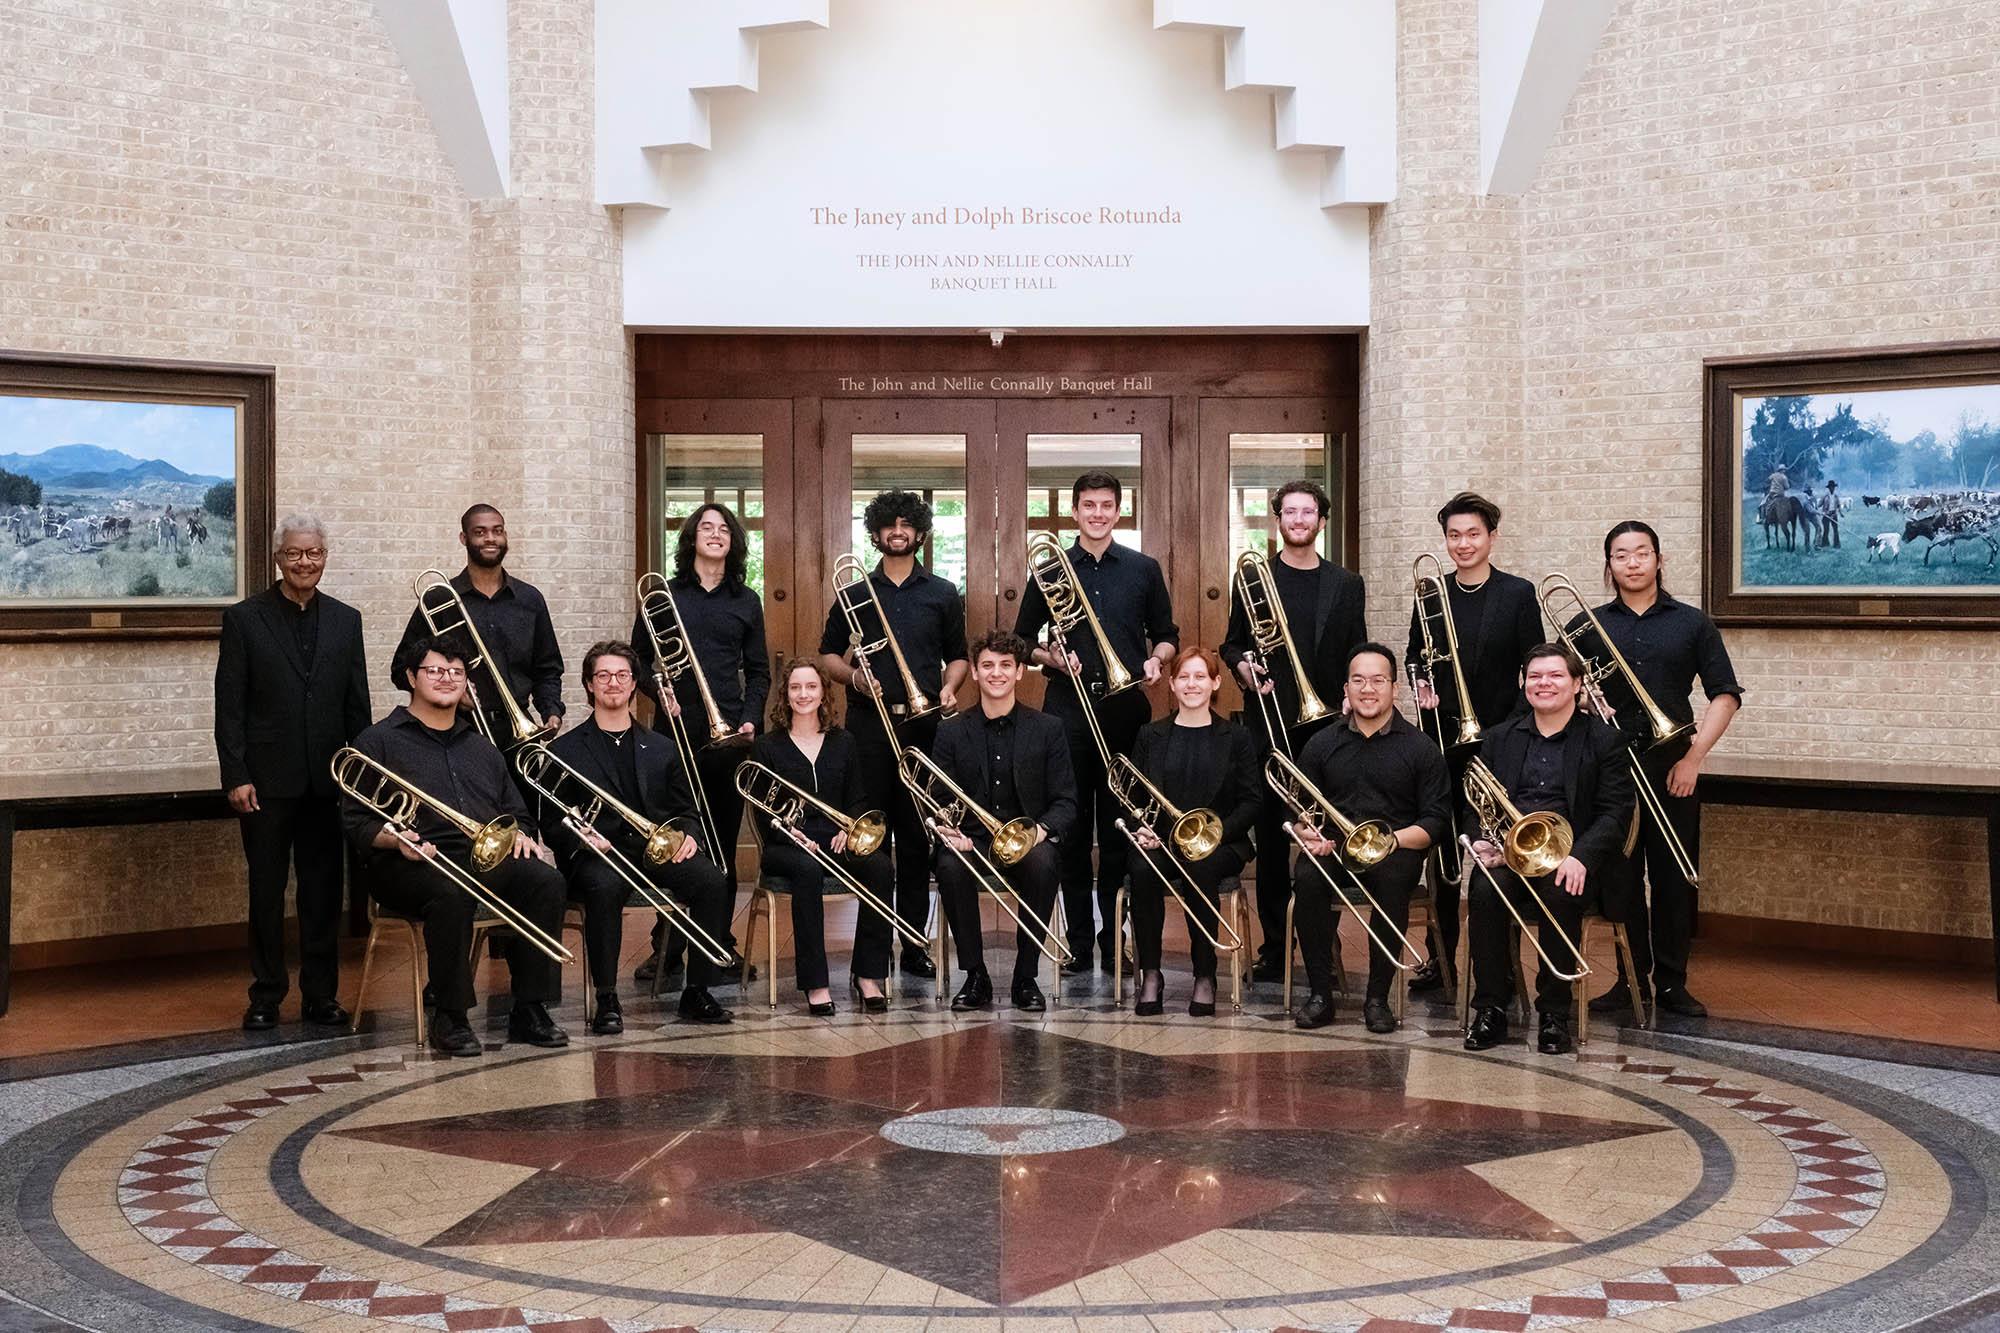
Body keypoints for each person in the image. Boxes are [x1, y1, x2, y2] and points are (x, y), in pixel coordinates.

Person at [339, 636, 570, 1058]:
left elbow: (516, 811)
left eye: (456, 672)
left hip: (479, 856)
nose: (446, 679)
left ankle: (530, 1008)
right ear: (411, 677)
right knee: (452, 891)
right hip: (406, 861)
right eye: (434, 671)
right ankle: (451, 1016)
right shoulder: (378, 742)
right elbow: (355, 823)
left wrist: (519, 832)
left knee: (546, 882)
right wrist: (396, 838)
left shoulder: (481, 746)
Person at [1574, 520, 1743, 1019]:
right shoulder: (1588, 625)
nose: (1632, 562)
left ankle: (1671, 983)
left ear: (1659, 560)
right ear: (1609, 565)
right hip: (1610, 769)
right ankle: (1628, 980)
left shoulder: (1692, 623)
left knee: (1674, 879)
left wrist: (1694, 758)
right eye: (1621, 555)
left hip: (1674, 764)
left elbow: (1725, 696)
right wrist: (1584, 698)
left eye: (1641, 553)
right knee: (1619, 879)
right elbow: (1567, 693)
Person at [1013, 470, 1177, 977]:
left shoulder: (1143, 568)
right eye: (1089, 505)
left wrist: (1159, 661)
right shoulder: (1050, 568)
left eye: (1107, 505)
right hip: (1067, 715)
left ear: (1119, 511)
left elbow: (1166, 634)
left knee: (1122, 830)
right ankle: (1080, 943)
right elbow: (1022, 641)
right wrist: (1053, 658)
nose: (1098, 513)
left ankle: (1115, 940)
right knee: (1072, 830)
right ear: (1076, 511)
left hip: (1127, 711)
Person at [214, 513, 372, 1031]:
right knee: (265, 891)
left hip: (328, 783)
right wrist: (235, 774)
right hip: (263, 782)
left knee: (323, 893)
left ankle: (321, 996)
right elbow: (229, 707)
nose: (305, 562)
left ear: (325, 558)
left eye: (315, 554)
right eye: (295, 554)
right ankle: (265, 995)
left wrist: (361, 780)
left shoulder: (348, 621)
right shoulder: (243, 619)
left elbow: (357, 708)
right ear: (278, 558)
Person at [1220, 478, 1368, 985]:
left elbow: (1357, 647)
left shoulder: (1347, 584)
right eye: (1290, 512)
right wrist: (1243, 669)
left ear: (1321, 522)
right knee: (1273, 833)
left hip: (1327, 723)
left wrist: (1352, 693)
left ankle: (1322, 942)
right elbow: (1233, 644)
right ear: (1278, 520)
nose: (1299, 520)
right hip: (1268, 721)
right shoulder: (1253, 579)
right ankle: (1275, 945)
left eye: (1308, 512)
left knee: (1324, 831)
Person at [541, 641, 733, 1031]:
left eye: (622, 675)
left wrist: (689, 833)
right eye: (603, 676)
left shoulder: (662, 747)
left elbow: (686, 808)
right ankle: (607, 998)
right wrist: (580, 839)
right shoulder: (565, 750)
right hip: (598, 854)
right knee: (604, 886)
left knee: (712, 881)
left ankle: (697, 990)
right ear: (590, 685)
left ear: (633, 686)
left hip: (653, 850)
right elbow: (551, 821)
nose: (613, 683)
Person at [817, 489, 967, 984]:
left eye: (907, 524)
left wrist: (950, 686)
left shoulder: (943, 592)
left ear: (920, 532)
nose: (898, 531)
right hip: (869, 725)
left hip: (923, 725)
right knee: (873, 837)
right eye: (889, 524)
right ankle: (873, 949)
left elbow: (959, 655)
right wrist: (855, 678)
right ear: (876, 532)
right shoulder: (854, 592)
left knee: (917, 839)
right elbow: (827, 657)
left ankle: (914, 943)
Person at [1463, 643, 1634, 1055]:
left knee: (1561, 893)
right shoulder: (1500, 737)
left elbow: (1615, 814)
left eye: (1556, 676)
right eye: (1535, 676)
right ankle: (1491, 1008)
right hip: (1512, 855)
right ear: (1524, 685)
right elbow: (1475, 801)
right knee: (1485, 892)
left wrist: (1581, 856)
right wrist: (1484, 841)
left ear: (1577, 685)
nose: (1544, 683)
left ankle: (1555, 1013)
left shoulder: (1604, 740)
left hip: (1572, 858)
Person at [1404, 491, 1545, 994]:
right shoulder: (1429, 593)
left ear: (1492, 538)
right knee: (1441, 856)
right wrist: (1419, 681)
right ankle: (1440, 960)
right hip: (1443, 740)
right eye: (1454, 535)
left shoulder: (1517, 593)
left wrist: (1507, 732)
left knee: (1497, 852)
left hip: (1501, 741)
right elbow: (1415, 656)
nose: (1463, 544)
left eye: (1473, 534)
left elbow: (1533, 668)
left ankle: (1500, 967)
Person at [632, 502, 769, 988]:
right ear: (692, 539)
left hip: (727, 738)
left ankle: (718, 947)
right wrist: (655, 689)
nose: (715, 534)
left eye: (724, 528)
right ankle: (666, 947)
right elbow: (638, 661)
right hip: (673, 738)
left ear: (733, 542)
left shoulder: (746, 600)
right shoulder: (662, 597)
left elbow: (758, 671)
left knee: (721, 845)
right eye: (706, 527)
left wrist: (750, 719)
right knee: (674, 840)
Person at [1288, 644, 1451, 1032]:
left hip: (1395, 847)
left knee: (1393, 881)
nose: (1368, 689)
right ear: (1346, 688)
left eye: (1378, 680)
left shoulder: (1420, 749)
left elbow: (1436, 819)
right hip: (1334, 847)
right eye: (1358, 680)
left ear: (1395, 688)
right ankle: (1319, 994)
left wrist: (1392, 841)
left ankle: (1377, 997)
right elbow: (1296, 808)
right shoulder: (1322, 744)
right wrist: (1304, 831)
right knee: (1308, 879)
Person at [928, 630, 1078, 1013]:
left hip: (1027, 839)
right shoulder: (950, 731)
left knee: (1044, 863)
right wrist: (950, 832)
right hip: (971, 841)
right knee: (950, 865)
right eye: (988, 666)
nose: (997, 674)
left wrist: (1039, 832)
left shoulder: (1048, 728)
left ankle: (1025, 976)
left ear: (1020, 673)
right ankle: (975, 974)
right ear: (975, 674)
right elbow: (939, 800)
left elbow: (1065, 800)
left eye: (1005, 666)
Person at [751, 659, 900, 1015]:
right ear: (785, 696)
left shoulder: (843, 742)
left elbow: (857, 799)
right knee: (807, 870)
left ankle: (868, 974)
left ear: (823, 694)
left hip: (835, 840)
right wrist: (794, 836)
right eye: (796, 688)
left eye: (811, 687)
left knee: (880, 868)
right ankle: (816, 983)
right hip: (785, 846)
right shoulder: (767, 747)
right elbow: (761, 811)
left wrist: (848, 828)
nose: (804, 694)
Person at [1124, 647, 1259, 1017]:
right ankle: (1151, 973)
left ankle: (1205, 974)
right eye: (1184, 677)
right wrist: (1143, 828)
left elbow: (1251, 801)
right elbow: (1133, 794)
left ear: (1215, 682)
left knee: (1201, 865)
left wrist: (1214, 834)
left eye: (1201, 676)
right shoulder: (1150, 734)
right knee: (1141, 866)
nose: (1192, 684)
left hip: (1221, 843)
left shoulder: (1236, 737)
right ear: (1171, 683)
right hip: (1162, 840)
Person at [391, 503, 564, 746]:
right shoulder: (440, 599)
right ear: (464, 538)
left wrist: (551, 711)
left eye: (498, 530)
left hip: (521, 734)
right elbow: (401, 669)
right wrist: (448, 687)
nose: (490, 538)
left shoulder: (529, 599)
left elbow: (547, 669)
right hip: (455, 731)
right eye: (480, 532)